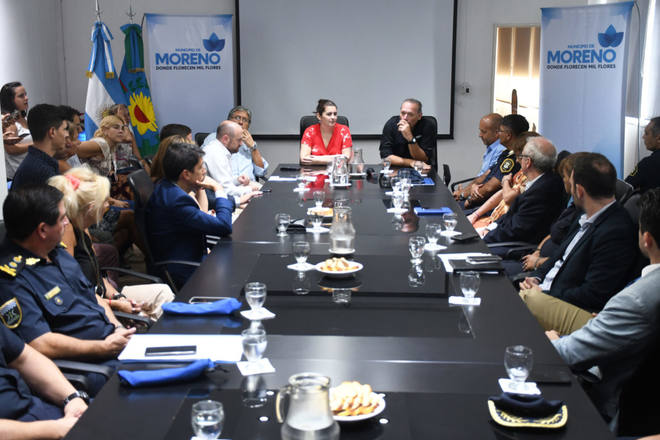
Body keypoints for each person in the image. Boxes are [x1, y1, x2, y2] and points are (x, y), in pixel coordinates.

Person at [0, 185, 135, 395]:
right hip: (88, 368)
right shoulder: (11, 280)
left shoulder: (57, 252)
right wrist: (103, 347)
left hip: (114, 347)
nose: (67, 223)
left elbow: (91, 295)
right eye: (63, 218)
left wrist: (117, 328)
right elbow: (40, 344)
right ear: (42, 230)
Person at [546, 189, 660, 421]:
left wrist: (553, 341)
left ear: (646, 239)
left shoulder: (637, 300)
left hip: (605, 407)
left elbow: (566, 354)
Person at [518, 153, 638, 331]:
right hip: (545, 290)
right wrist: (537, 277)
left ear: (579, 191)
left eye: (569, 182)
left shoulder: (616, 231)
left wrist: (545, 293)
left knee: (523, 300)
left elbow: (594, 294)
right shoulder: (584, 214)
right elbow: (558, 257)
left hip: (573, 305)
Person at [49, 167, 174, 320]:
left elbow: (98, 277)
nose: (108, 206)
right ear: (90, 209)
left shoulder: (83, 227)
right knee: (153, 314)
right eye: (105, 202)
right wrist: (115, 304)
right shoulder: (67, 232)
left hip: (105, 297)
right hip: (91, 306)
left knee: (163, 293)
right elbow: (74, 290)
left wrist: (118, 297)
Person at [146, 142, 234, 287]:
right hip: (185, 269)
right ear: (186, 174)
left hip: (192, 255)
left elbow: (201, 214)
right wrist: (218, 188)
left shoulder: (167, 187)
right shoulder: (177, 200)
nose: (204, 171)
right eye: (200, 168)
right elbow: (224, 226)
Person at [0, 324, 88, 439]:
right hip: (22, 432)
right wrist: (55, 429)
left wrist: (72, 399)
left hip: (38, 409)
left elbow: (23, 358)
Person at [482, 137, 565, 246]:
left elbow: (515, 230)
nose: (517, 160)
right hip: (502, 236)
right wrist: (490, 228)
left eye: (520, 157)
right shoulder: (539, 182)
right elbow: (510, 216)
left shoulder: (541, 192)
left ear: (528, 162)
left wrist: (485, 238)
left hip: (516, 248)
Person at [453, 114, 528, 210]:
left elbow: (490, 187)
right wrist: (471, 189)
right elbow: (486, 175)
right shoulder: (506, 153)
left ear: (508, 135)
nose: (498, 134)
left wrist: (467, 200)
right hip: (477, 200)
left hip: (484, 205)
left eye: (500, 131)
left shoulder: (512, 159)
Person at [467, 131, 539, 229]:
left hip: (503, 226)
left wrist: (505, 181)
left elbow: (508, 198)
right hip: (495, 219)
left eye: (519, 157)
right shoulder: (521, 172)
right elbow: (501, 193)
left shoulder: (534, 179)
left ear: (528, 159)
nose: (517, 160)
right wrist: (476, 215)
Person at [203, 106, 269, 184]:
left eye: (245, 120)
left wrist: (253, 147)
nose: (241, 122)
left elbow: (261, 172)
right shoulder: (214, 138)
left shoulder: (248, 142)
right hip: (227, 187)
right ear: (228, 120)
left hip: (251, 186)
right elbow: (202, 167)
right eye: (237, 118)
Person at [10, 104, 69, 191]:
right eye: (64, 129)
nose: (67, 135)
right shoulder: (42, 172)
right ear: (52, 132)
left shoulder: (37, 162)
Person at [203, 121, 260, 206]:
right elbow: (226, 191)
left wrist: (237, 180)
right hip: (214, 204)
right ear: (226, 139)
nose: (241, 144)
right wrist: (250, 189)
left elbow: (221, 182)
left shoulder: (220, 149)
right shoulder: (215, 154)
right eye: (239, 140)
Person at [379, 98, 433, 171]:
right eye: (403, 113)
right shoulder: (391, 124)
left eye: (410, 114)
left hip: (420, 169)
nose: (405, 118)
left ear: (419, 116)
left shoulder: (427, 125)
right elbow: (386, 157)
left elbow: (423, 159)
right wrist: (411, 162)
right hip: (395, 168)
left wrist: (410, 138)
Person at [300, 99, 353, 165]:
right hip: (313, 172)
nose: (333, 117)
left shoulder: (344, 130)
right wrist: (335, 159)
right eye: (329, 114)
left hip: (336, 173)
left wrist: (317, 160)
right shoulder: (310, 131)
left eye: (335, 114)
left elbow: (346, 158)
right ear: (319, 116)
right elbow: (304, 159)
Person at [1, 81, 32, 180]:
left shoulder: (23, 118)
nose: (26, 98)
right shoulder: (9, 122)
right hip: (18, 177)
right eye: (21, 96)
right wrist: (36, 145)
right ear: (10, 100)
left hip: (28, 172)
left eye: (25, 94)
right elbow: (11, 149)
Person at [625, 117, 660, 193]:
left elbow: (626, 187)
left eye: (646, 133)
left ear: (658, 138)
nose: (643, 137)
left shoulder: (648, 163)